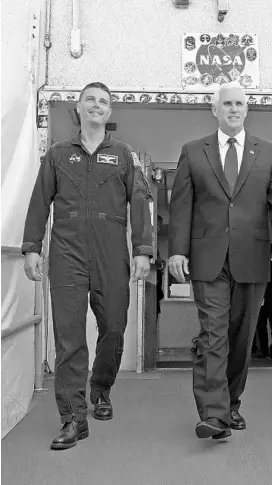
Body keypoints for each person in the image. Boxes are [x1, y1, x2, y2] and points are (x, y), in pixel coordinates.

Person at [22, 82, 153, 450]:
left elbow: (140, 202)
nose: (97, 106)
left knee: (113, 327)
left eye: (104, 102)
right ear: (78, 109)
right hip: (67, 254)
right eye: (90, 100)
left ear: (110, 112)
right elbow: (38, 202)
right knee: (69, 337)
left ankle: (101, 389)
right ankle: (73, 418)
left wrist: (143, 249)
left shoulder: (124, 155)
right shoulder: (59, 154)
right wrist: (32, 247)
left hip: (112, 253)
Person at [168, 81, 272, 440]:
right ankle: (213, 413)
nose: (234, 109)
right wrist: (177, 249)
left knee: (241, 337)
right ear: (215, 109)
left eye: (240, 103)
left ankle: (231, 401)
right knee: (213, 334)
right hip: (208, 259)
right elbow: (181, 206)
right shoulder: (193, 152)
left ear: (247, 109)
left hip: (252, 257)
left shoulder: (268, 153)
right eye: (227, 104)